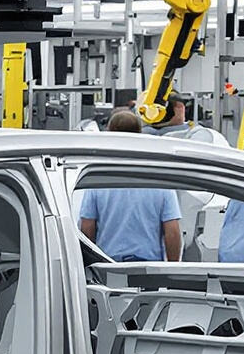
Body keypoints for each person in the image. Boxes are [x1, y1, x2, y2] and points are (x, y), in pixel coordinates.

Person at [79, 109, 186, 262]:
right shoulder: (158, 179)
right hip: (147, 271)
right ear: (139, 133)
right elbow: (172, 231)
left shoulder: (99, 178)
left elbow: (87, 227)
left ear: (110, 132)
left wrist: (89, 265)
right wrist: (173, 269)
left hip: (108, 267)